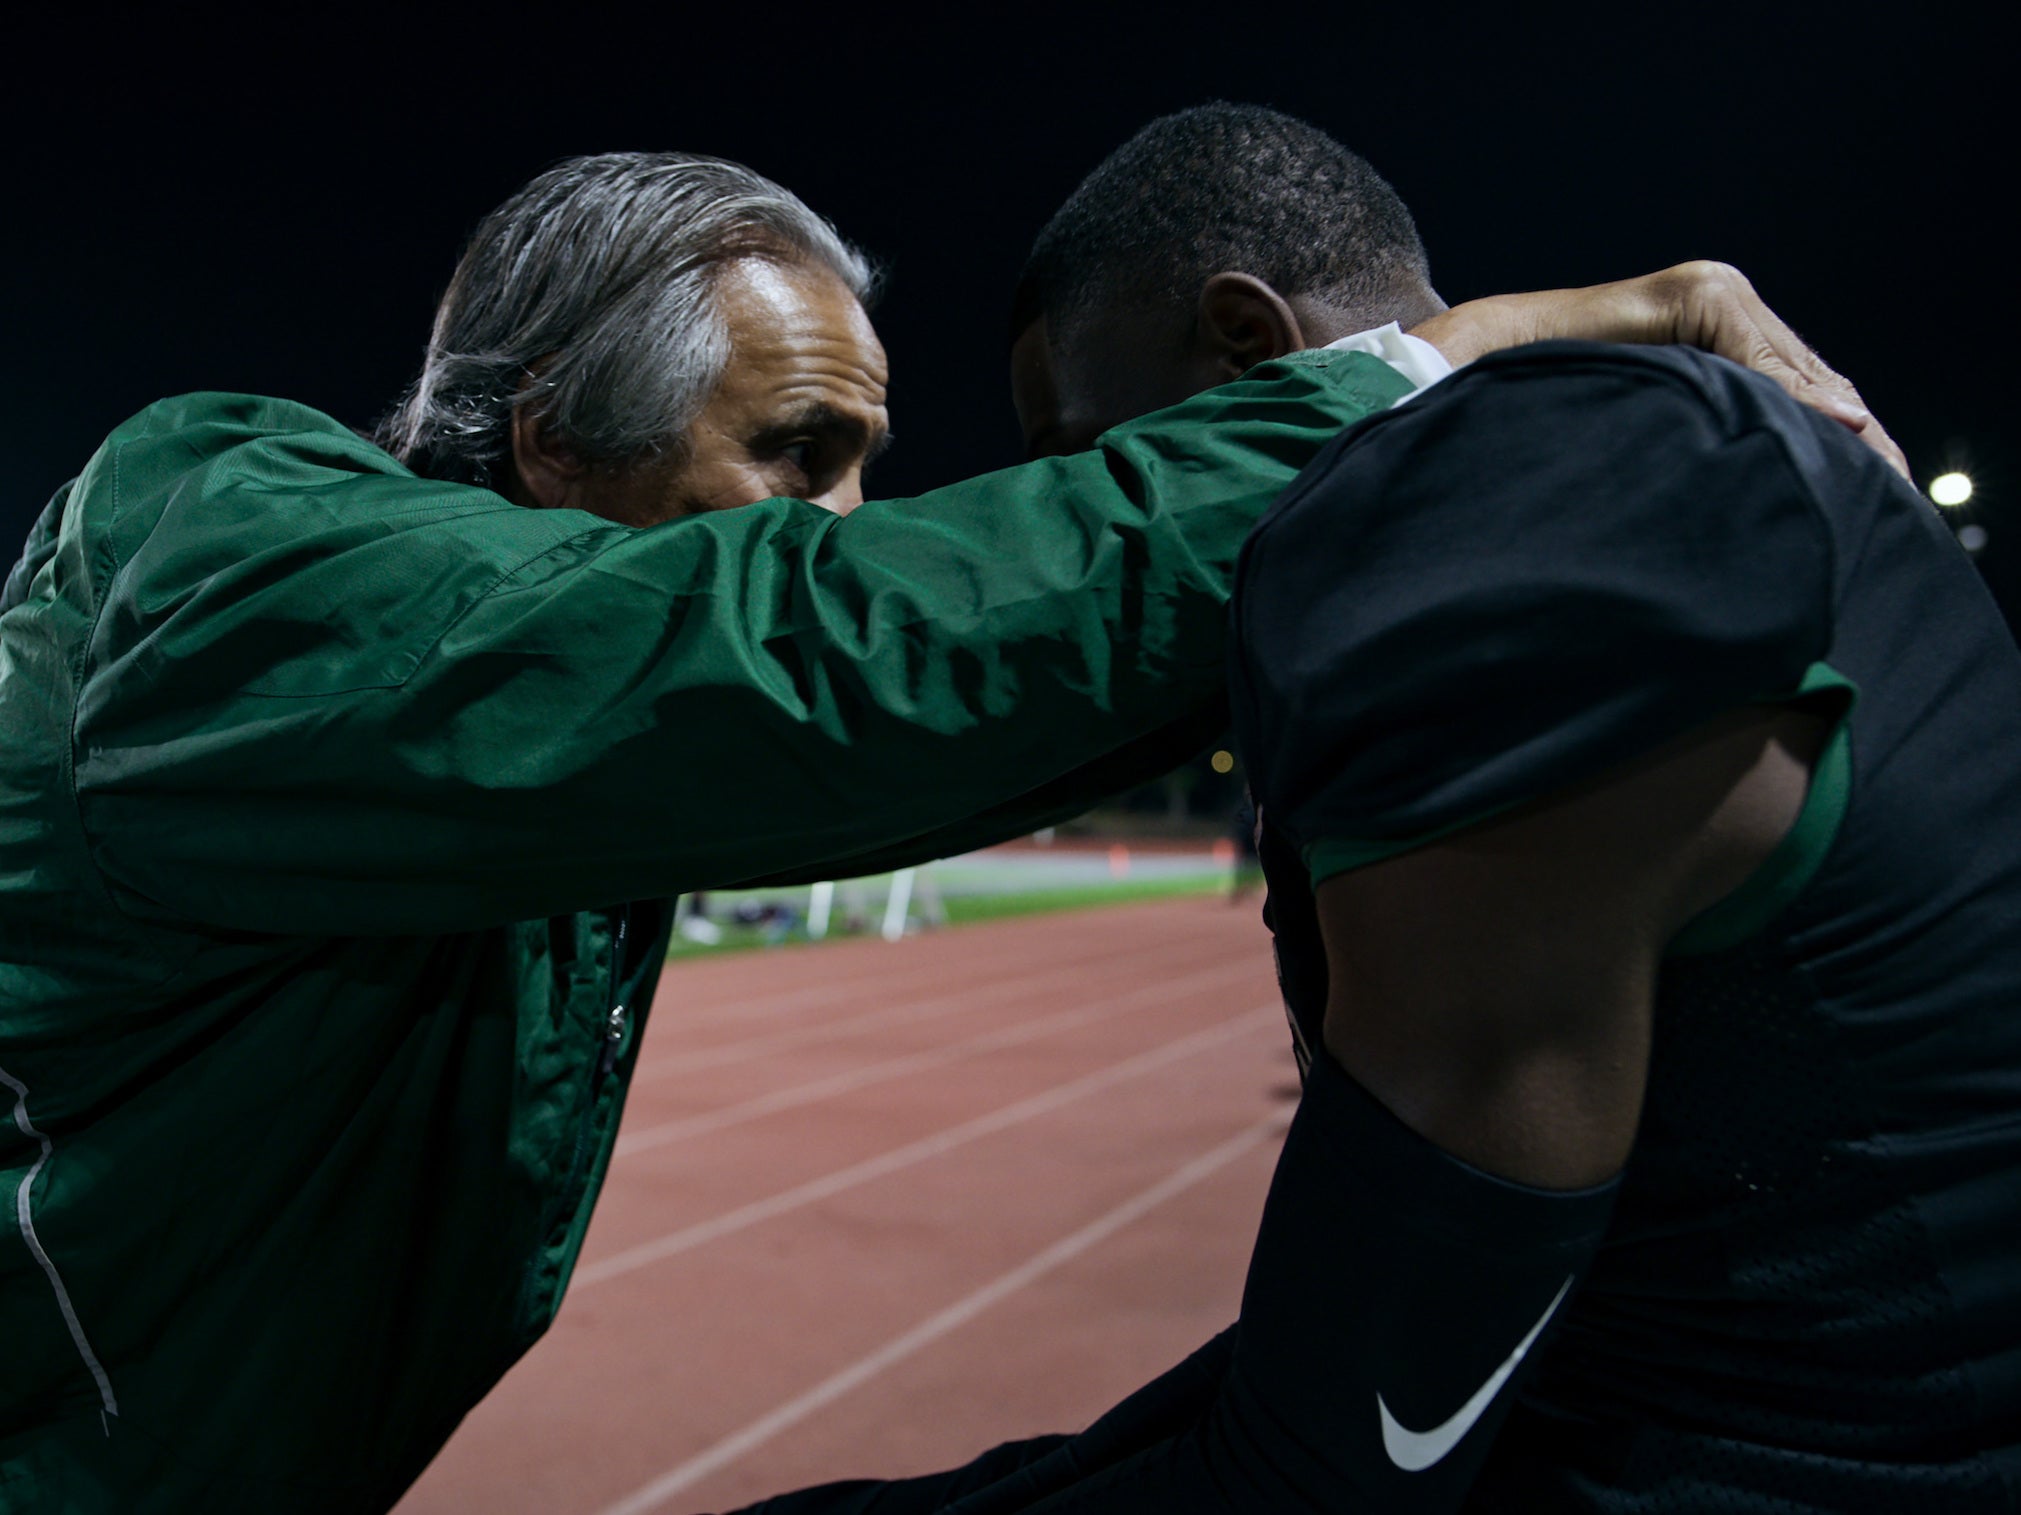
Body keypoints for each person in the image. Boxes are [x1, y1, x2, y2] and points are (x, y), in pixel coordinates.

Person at [0, 148, 1885, 1514]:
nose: (843, 521)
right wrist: (1427, 378)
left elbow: (972, 700)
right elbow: (834, 659)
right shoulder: (222, 555)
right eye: (794, 455)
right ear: (558, 443)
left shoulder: (540, 766)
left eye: (867, 469)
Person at [745, 104, 2017, 1512]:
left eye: (1089, 454)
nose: (1082, 512)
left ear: (1245, 347)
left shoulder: (1478, 509)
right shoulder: (1641, 447)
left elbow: (1341, 1460)